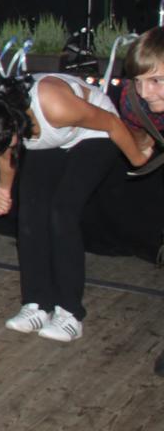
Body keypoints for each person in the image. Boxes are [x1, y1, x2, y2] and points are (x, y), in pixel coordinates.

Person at [0, 75, 149, 343]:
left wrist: (138, 159)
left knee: (62, 213)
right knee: (30, 217)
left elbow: (112, 123)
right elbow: (3, 153)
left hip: (95, 132)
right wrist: (1, 190)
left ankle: (70, 312)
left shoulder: (55, 105)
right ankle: (37, 303)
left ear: (14, 128)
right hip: (47, 137)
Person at [117, 27, 164, 374]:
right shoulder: (133, 101)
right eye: (139, 81)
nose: (146, 92)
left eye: (157, 81)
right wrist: (144, 143)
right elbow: (137, 130)